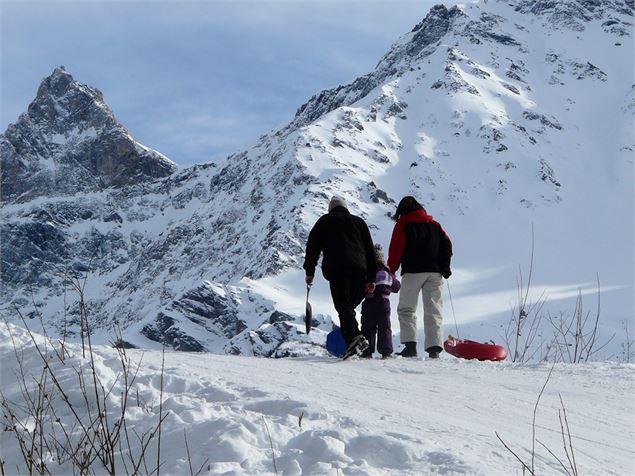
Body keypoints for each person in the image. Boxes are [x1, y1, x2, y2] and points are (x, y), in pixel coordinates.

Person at [303, 195, 377, 358]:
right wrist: (371, 278)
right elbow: (371, 251)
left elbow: (312, 247)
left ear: (331, 209)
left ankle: (355, 337)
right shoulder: (359, 222)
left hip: (337, 269)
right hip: (359, 270)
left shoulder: (324, 221)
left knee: (343, 305)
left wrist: (310, 271)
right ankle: (352, 341)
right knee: (347, 307)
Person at [387, 196, 453, 359]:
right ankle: (434, 349)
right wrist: (445, 267)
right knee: (433, 309)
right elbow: (447, 245)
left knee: (407, 309)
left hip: (412, 272)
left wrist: (392, 270)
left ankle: (410, 346)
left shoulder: (403, 225)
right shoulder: (435, 225)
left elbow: (396, 249)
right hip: (435, 272)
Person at [360, 244, 401, 359]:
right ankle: (386, 351)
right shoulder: (388, 274)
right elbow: (397, 287)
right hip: (384, 303)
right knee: (385, 327)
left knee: (368, 327)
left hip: (369, 302)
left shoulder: (367, 273)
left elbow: (361, 288)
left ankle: (367, 351)